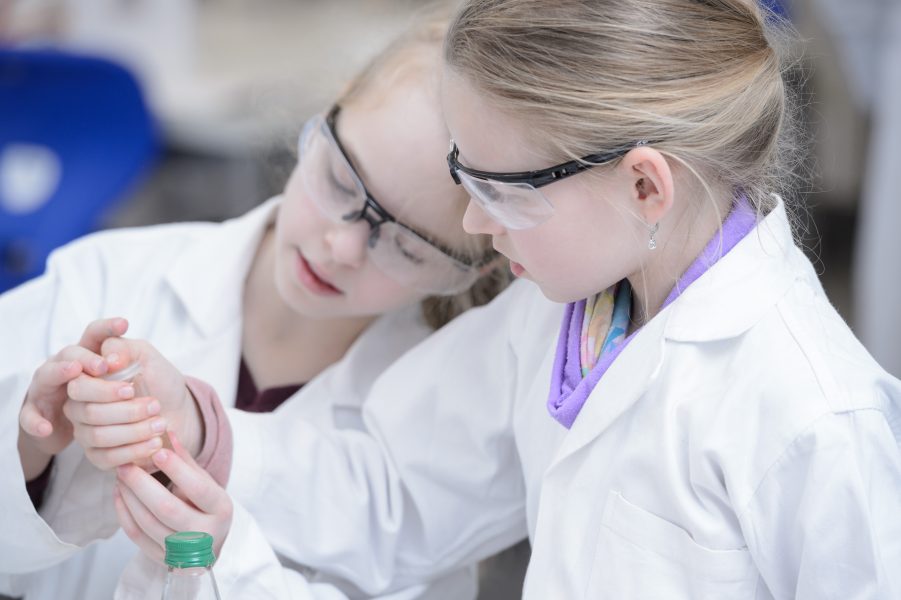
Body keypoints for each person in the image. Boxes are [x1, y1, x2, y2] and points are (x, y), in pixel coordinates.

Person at [85, 0, 901, 598]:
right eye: (464, 181)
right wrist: (196, 432)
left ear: (645, 186)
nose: (474, 222)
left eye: (502, 192)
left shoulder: (814, 419)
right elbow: (392, 485)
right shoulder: (564, 311)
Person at [1, 14, 506, 600]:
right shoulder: (107, 277)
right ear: (322, 123)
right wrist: (30, 450)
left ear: (474, 269)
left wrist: (225, 571)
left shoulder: (439, 444)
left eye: (407, 245)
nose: (341, 246)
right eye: (342, 181)